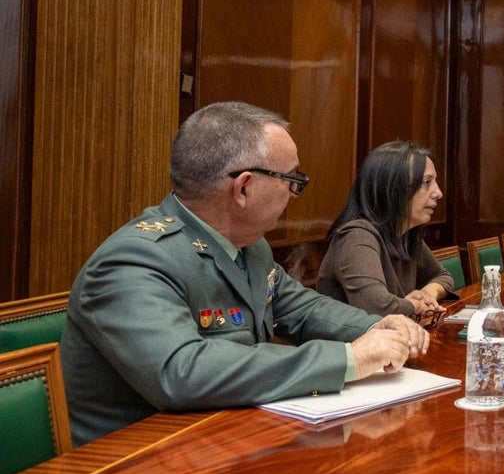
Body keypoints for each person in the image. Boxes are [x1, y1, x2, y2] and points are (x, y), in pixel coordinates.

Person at [61, 102, 430, 446]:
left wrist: (374, 328)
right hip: (130, 471)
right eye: (292, 180)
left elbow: (302, 307)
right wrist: (348, 359)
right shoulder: (135, 260)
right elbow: (183, 372)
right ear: (244, 188)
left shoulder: (250, 248)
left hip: (220, 441)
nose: (294, 193)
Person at [316, 141, 456, 325]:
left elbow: (443, 276)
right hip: (351, 349)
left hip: (390, 343)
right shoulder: (356, 236)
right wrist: (416, 306)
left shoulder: (405, 232)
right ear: (392, 188)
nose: (438, 193)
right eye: (426, 182)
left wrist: (428, 293)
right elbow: (378, 307)